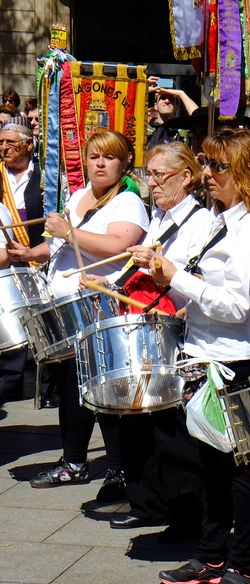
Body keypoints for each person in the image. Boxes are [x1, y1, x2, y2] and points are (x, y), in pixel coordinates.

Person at [135, 128, 250, 584]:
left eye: (218, 167)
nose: (208, 175)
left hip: (235, 359)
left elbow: (238, 306)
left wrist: (179, 278)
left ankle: (246, 567)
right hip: (206, 352)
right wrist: (166, 278)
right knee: (212, 464)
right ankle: (213, 553)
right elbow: (201, 292)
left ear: (246, 172)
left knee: (239, 469)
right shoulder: (223, 221)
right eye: (207, 165)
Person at [9, 131, 149, 490]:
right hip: (66, 307)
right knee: (70, 388)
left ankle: (119, 469)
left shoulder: (128, 202)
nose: (100, 164)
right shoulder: (78, 196)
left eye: (109, 157)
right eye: (94, 156)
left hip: (100, 307)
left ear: (124, 163)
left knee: (103, 391)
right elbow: (55, 246)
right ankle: (74, 461)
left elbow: (117, 245)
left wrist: (69, 231)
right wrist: (29, 254)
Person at [105, 142, 216, 531]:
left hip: (176, 326)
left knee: (170, 427)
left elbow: (190, 277)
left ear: (186, 177)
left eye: (159, 174)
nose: (150, 182)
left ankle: (186, 515)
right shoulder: (161, 216)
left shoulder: (201, 221)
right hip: (147, 322)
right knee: (139, 417)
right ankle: (148, 502)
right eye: (148, 174)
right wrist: (105, 281)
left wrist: (154, 264)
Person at [0, 117, 44, 405]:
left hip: (35, 256)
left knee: (36, 321)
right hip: (5, 256)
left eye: (11, 143)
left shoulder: (45, 176)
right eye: (1, 143)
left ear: (29, 145)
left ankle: (47, 386)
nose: (4, 148)